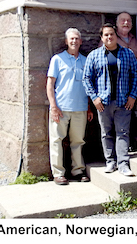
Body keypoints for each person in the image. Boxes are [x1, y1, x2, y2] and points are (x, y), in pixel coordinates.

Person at [83, 23, 137, 176]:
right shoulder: (94, 56)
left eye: (112, 34)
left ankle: (123, 164)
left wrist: (132, 96)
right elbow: (86, 78)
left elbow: (136, 75)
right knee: (106, 133)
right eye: (106, 35)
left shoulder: (127, 54)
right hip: (103, 103)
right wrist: (94, 98)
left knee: (123, 132)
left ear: (116, 36)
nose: (109, 37)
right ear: (102, 38)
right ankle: (110, 162)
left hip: (123, 102)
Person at [47, 28, 93, 185]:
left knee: (78, 141)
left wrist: (88, 107)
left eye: (77, 38)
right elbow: (50, 84)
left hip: (80, 108)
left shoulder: (86, 60)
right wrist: (53, 106)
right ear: (66, 41)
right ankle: (58, 173)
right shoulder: (57, 59)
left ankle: (78, 170)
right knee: (56, 140)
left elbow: (88, 86)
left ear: (80, 41)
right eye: (71, 39)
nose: (74, 41)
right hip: (60, 108)